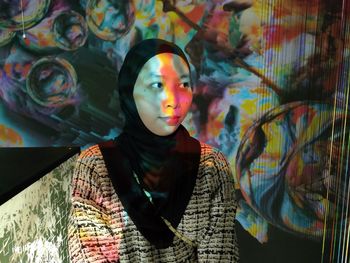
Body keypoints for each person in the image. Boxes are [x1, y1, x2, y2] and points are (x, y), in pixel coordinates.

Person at [68, 38, 239, 262]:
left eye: (184, 84)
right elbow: (88, 255)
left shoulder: (211, 166)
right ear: (129, 92)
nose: (173, 100)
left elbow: (220, 255)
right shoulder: (95, 167)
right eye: (157, 85)